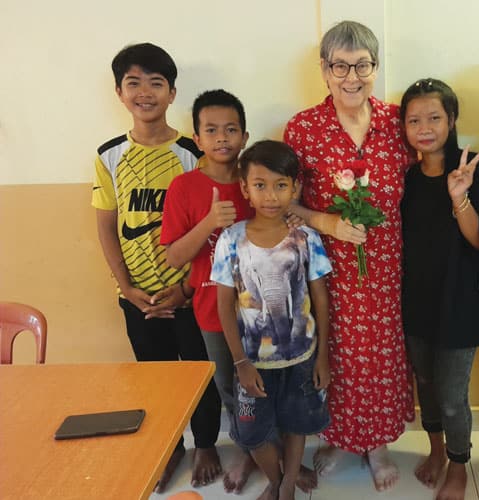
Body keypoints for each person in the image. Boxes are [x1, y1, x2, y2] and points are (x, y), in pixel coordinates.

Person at [283, 20, 414, 491]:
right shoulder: (303, 129)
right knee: (334, 353)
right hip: (327, 271)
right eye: (340, 65)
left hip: (386, 268)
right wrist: (327, 223)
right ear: (324, 69)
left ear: (376, 68)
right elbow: (283, 201)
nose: (351, 76)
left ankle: (376, 445)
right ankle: (338, 438)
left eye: (362, 65)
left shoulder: (397, 123)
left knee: (380, 356)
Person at [91, 42, 222, 492]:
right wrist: (126, 288)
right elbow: (107, 227)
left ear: (172, 93)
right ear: (119, 92)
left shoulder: (193, 152)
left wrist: (186, 289)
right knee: (154, 376)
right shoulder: (108, 155)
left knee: (199, 371)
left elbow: (209, 231)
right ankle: (171, 447)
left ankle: (206, 442)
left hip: (189, 292)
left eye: (156, 83)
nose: (144, 92)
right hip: (138, 296)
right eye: (133, 82)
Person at [211, 140, 332, 500]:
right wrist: (240, 362)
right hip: (252, 363)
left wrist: (322, 354)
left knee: (297, 425)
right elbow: (224, 305)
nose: (271, 195)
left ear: (295, 188)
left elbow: (320, 296)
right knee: (251, 432)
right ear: (245, 188)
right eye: (260, 185)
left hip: (301, 358)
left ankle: (289, 484)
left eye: (281, 185)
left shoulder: (306, 237)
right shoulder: (231, 240)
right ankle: (276, 478)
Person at [400, 78, 479, 500]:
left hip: (457, 303)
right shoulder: (406, 176)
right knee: (425, 382)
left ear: (452, 120)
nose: (424, 127)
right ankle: (436, 450)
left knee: (454, 396)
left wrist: (459, 197)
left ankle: (459, 466)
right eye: (414, 120)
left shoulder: (471, 170)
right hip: (416, 301)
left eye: (434, 117)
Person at [160, 89, 256, 493]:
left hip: (262, 310)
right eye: (211, 130)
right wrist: (210, 221)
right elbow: (172, 256)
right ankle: (247, 450)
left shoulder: (257, 180)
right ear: (196, 139)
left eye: (230, 129)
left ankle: (268, 449)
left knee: (266, 382)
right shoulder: (184, 187)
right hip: (211, 312)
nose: (222, 138)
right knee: (231, 389)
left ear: (245, 136)